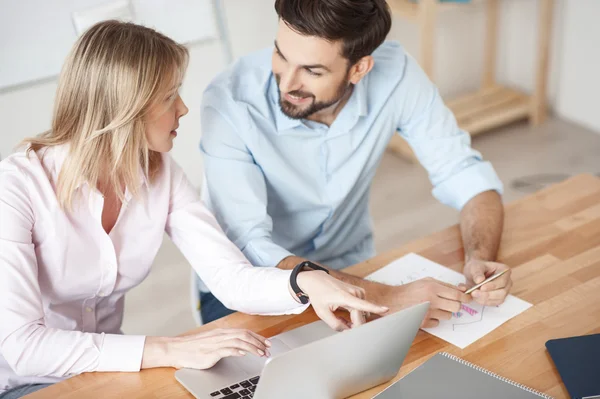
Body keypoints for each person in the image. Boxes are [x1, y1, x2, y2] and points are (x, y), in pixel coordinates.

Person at [0, 20, 389, 399]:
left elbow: (228, 276)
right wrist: (169, 348)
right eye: (170, 96)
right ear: (126, 110)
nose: (184, 109)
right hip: (22, 381)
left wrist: (304, 281)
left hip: (107, 368)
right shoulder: (17, 187)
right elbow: (23, 346)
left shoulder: (160, 172)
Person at [198, 0, 513, 325]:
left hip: (351, 267)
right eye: (281, 54)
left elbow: (464, 173)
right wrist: (389, 299)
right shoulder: (229, 102)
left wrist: (480, 257)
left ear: (359, 69)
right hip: (259, 284)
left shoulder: (398, 77)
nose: (287, 82)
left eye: (312, 70)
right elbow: (247, 245)